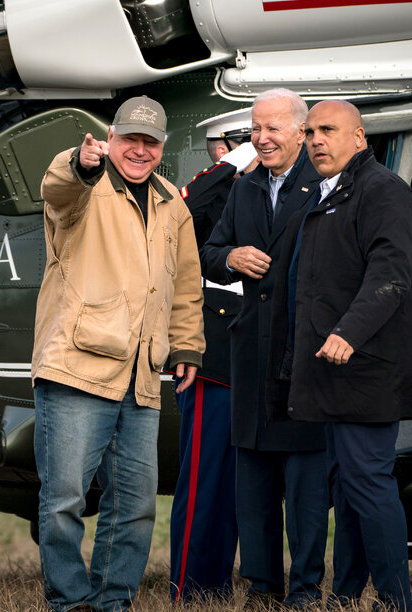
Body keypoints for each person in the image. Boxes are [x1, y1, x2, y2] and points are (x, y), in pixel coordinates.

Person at [31, 95, 205, 612]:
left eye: (150, 142)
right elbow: (58, 189)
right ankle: (67, 601)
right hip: (77, 365)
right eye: (130, 139)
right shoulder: (85, 184)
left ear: (162, 147)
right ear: (110, 138)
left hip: (142, 375)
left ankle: (113, 602)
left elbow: (187, 284)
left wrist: (188, 344)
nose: (139, 150)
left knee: (134, 504)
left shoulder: (174, 203)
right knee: (63, 499)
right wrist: (79, 164)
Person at [267, 99, 412, 611]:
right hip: (331, 371)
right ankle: (346, 596)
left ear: (360, 138)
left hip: (367, 368)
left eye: (328, 130)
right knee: (349, 488)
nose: (316, 140)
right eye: (310, 131)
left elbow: (391, 274)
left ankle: (395, 601)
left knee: (369, 484)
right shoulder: (327, 193)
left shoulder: (383, 191)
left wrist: (349, 333)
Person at [200, 88, 328, 607]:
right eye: (256, 128)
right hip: (251, 351)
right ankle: (261, 584)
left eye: (273, 128)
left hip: (302, 352)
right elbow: (207, 252)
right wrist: (231, 257)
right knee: (251, 479)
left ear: (301, 132)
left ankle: (304, 587)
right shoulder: (245, 187)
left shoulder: (323, 186)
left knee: (303, 483)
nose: (261, 137)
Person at [169, 108, 258, 604]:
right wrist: (235, 162)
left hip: (259, 350)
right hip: (216, 351)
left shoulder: (273, 191)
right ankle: (195, 584)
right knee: (206, 479)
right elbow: (182, 206)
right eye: (248, 141)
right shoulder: (213, 191)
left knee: (243, 485)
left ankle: (224, 582)